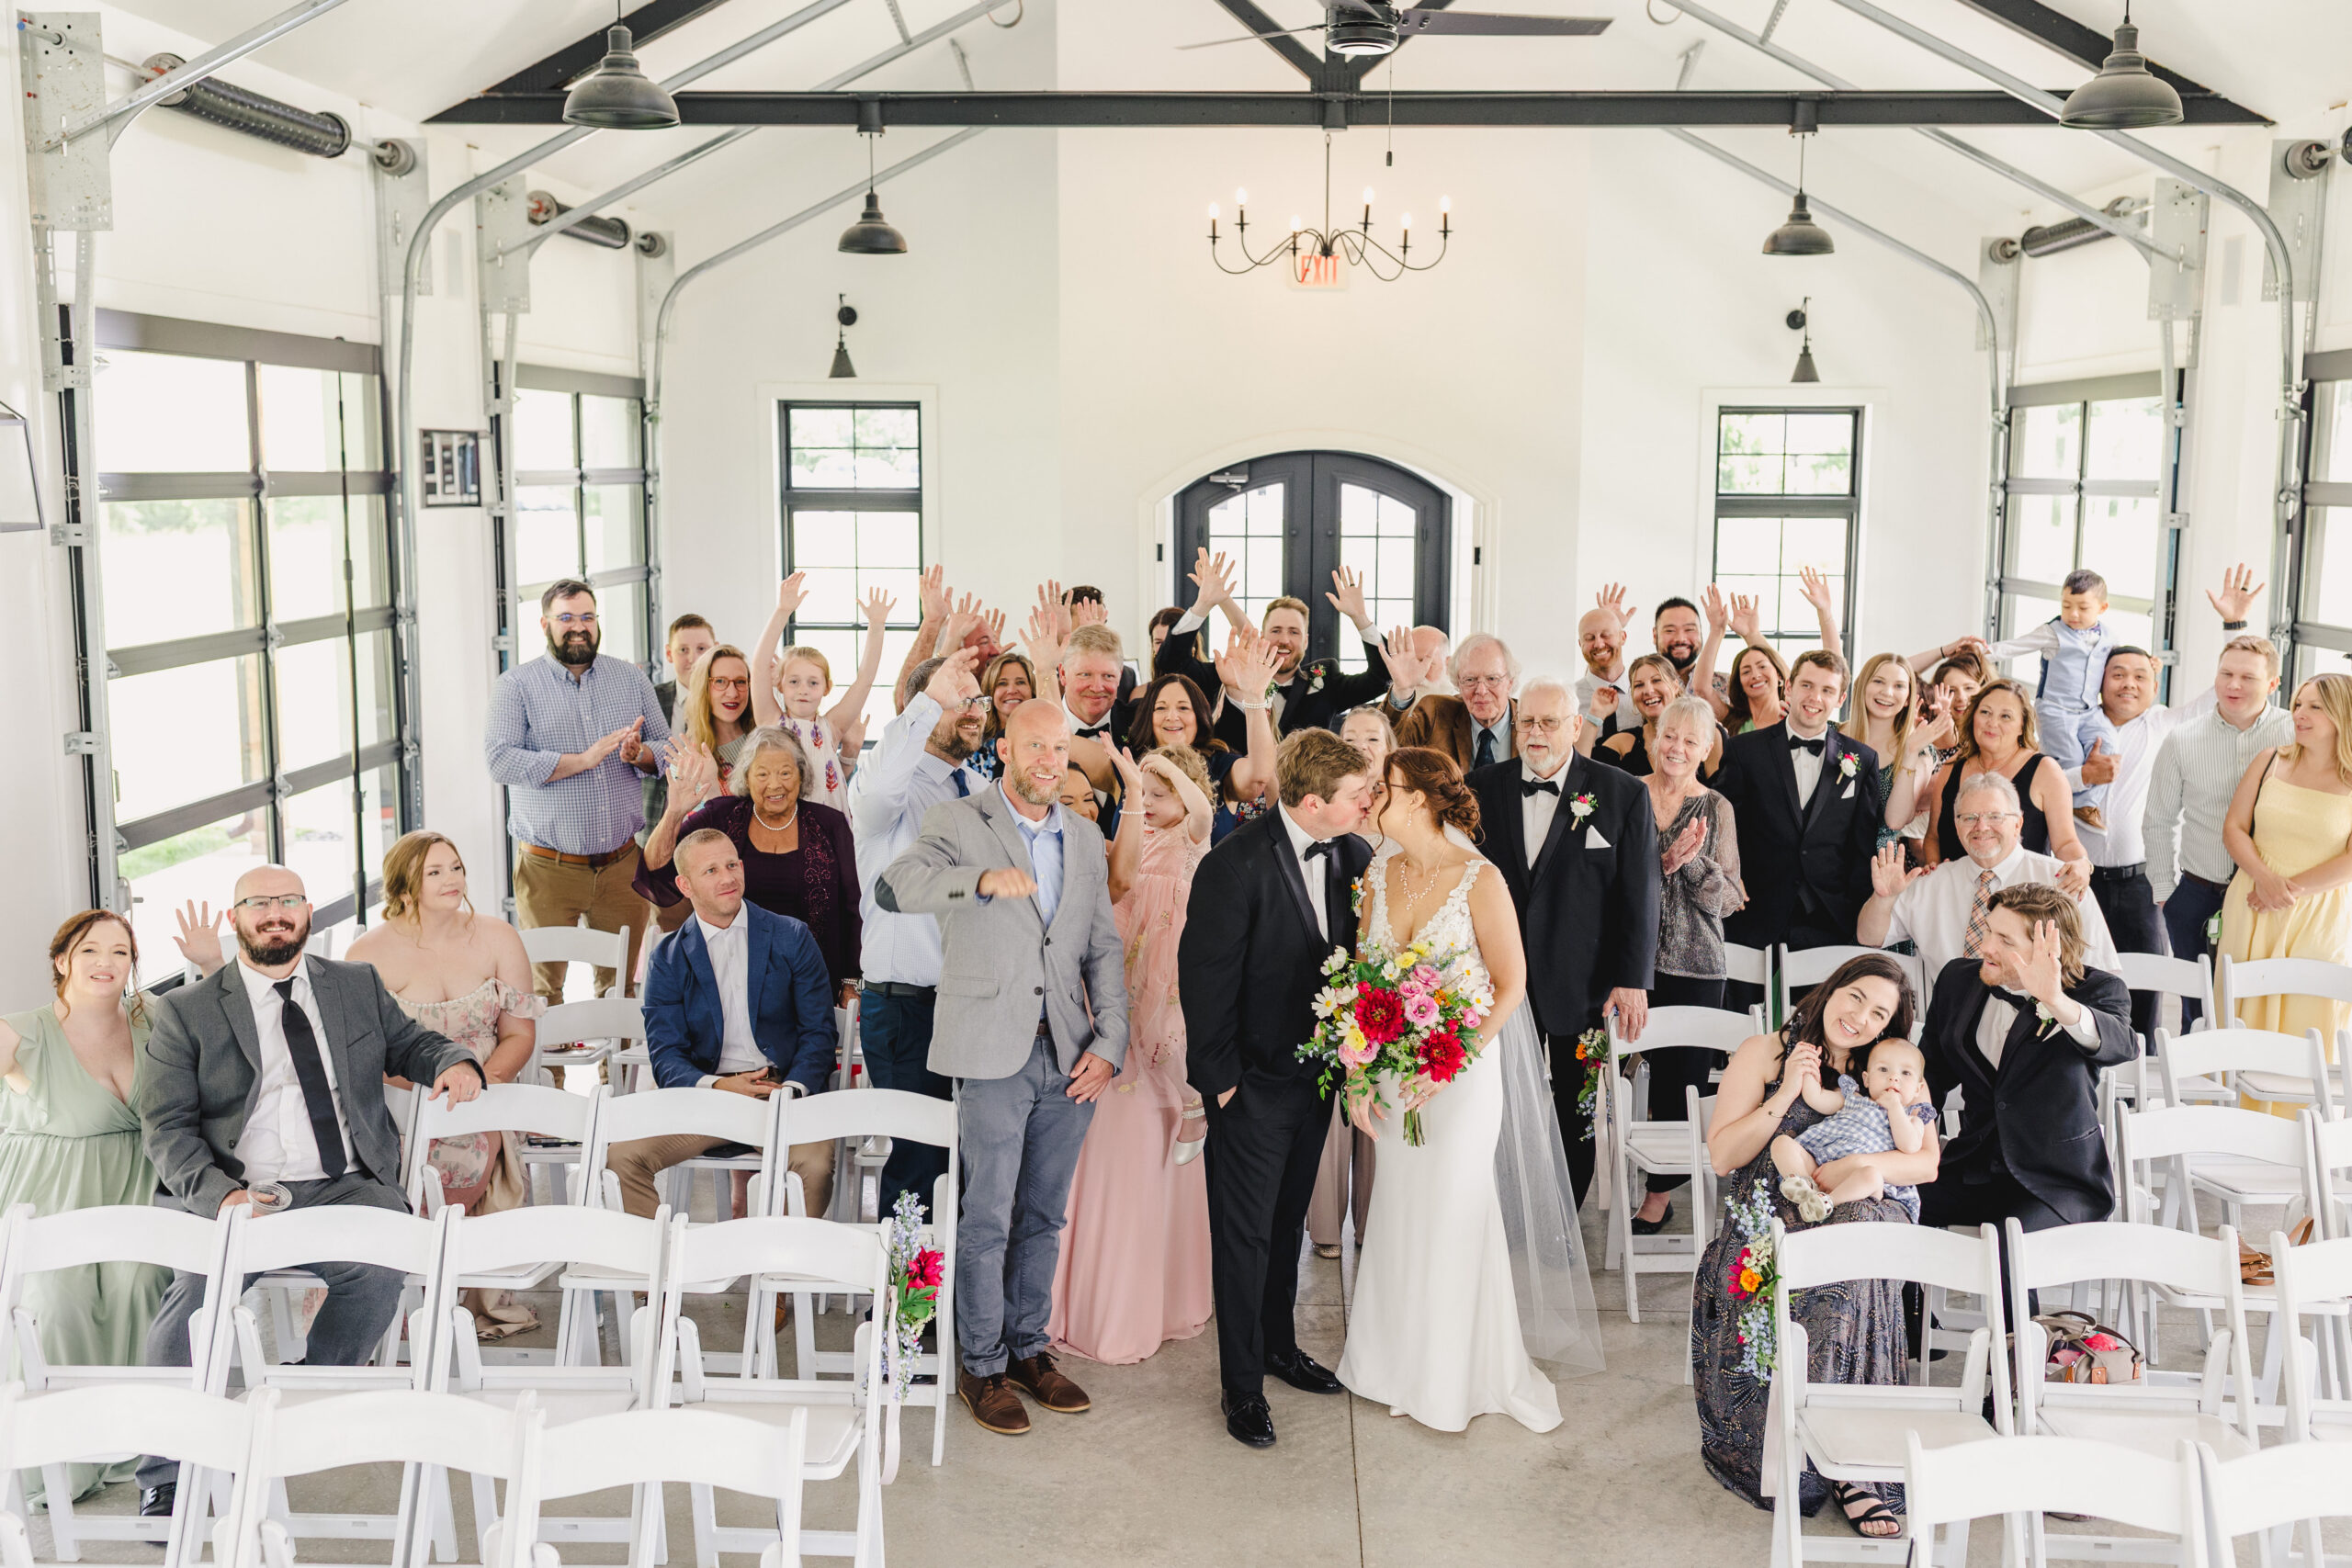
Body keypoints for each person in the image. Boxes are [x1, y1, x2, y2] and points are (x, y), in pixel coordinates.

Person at [134, 865, 483, 1515]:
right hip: (242, 1193)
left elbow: (410, 1043)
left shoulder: (354, 983)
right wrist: (220, 1196)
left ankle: (300, 1402)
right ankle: (166, 1470)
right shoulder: (187, 1011)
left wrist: (453, 1060)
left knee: (383, 1266)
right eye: (259, 903)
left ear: (307, 912)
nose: (276, 912)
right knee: (192, 1298)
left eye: (288, 900)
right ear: (235, 917)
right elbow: (166, 1126)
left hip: (345, 1184)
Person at [1334, 746, 1604, 1433]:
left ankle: (1451, 1375)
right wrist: (1360, 1069)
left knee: (1455, 1207)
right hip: (1395, 1072)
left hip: (1460, 1074)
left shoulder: (1479, 879)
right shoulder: (1379, 868)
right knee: (1400, 1207)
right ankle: (1390, 1360)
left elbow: (1511, 987)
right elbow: (1366, 983)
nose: (1371, 802)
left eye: (1382, 790)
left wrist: (1448, 1062)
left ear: (1418, 799)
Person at [877, 699, 1126, 1438]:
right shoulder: (960, 822)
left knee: (1044, 1213)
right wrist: (978, 883)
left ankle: (1027, 1349)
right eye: (1035, 746)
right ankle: (979, 1365)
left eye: (1060, 747)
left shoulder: (1083, 836)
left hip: (1071, 1054)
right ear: (1005, 749)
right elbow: (895, 888)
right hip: (989, 1050)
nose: (1050, 759)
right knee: (985, 1214)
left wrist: (1110, 1040)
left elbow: (1102, 947)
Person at [1178, 728, 1374, 1449]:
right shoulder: (1232, 865)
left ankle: (1279, 1347)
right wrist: (1224, 1086)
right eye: (1359, 794)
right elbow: (1203, 982)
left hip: (1317, 1081)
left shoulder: (1356, 855)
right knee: (1243, 1237)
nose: (1369, 802)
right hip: (1250, 1088)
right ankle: (1241, 1388)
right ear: (1315, 800)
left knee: (1287, 1225)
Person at [1693, 953, 1923, 1539]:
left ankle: (1854, 1466)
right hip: (1772, 1213)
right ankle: (1808, 1445)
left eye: (1879, 1014)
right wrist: (1788, 1093)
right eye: (1855, 998)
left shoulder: (1889, 1070)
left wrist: (1852, 1164)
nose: (1860, 1019)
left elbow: (1924, 1163)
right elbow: (1722, 1156)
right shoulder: (1764, 1052)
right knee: (1838, 1251)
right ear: (1833, 988)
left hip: (1855, 1203)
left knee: (1861, 1234)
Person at [1462, 677, 1658, 1207]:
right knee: (1496, 1102)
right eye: (1527, 721)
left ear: (1576, 725)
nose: (1536, 733)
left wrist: (1632, 980)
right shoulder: (1478, 787)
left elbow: (1640, 896)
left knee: (1574, 1106)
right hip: (1495, 982)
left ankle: (1562, 1222)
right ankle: (1500, 1212)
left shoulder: (1623, 793)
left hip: (1584, 982)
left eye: (1550, 722)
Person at [1047, 745, 1215, 1364]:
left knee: (1163, 1131)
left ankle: (1163, 1294)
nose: (1151, 797)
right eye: (1145, 791)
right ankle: (1081, 1294)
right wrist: (1138, 795)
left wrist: (1153, 768)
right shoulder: (1129, 840)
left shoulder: (1194, 842)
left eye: (1162, 789)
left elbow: (1197, 808)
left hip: (1166, 1003)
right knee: (1110, 1133)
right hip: (1113, 1001)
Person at [345, 831, 544, 1339]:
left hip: (487, 1094)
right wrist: (432, 1093)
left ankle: (450, 1295)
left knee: (469, 1155)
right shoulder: (367, 953)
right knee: (407, 1171)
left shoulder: (498, 936)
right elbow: (364, 1056)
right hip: (402, 1104)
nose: (452, 880)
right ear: (404, 887)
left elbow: (519, 1032)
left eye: (455, 867)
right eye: (435, 872)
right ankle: (401, 1299)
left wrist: (483, 1087)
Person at [0, 911, 169, 1503]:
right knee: (55, 1300)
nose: (105, 962)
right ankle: (60, 1454)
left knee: (144, 1283)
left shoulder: (154, 1021)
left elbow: (229, 1028)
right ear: (61, 960)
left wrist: (204, 963)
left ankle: (143, 1444)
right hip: (52, 1200)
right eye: (90, 949)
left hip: (136, 1192)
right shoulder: (24, 1030)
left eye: (120, 952)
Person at [615, 829, 837, 1221]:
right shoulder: (667, 957)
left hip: (782, 1092)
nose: (728, 878)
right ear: (684, 885)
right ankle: (655, 1278)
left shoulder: (791, 936)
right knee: (620, 1156)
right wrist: (719, 1087)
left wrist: (790, 1090)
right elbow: (666, 1055)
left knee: (815, 1167)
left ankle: (782, 1279)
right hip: (708, 1100)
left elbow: (819, 1032)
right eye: (711, 870)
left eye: (732, 864)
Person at [842, 649, 989, 1218]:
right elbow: (881, 789)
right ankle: (907, 1309)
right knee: (916, 1169)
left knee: (970, 1166)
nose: (974, 710)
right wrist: (929, 702)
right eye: (961, 699)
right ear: (922, 711)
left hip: (973, 1007)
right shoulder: (884, 796)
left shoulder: (978, 790)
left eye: (977, 699)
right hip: (905, 1012)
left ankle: (956, 1306)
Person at [484, 579, 670, 1000]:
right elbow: (499, 759)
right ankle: (549, 1072)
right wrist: (581, 761)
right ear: (545, 624)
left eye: (587, 617)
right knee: (542, 992)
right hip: (548, 870)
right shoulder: (516, 685)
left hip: (622, 865)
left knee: (620, 990)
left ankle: (616, 1072)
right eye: (565, 618)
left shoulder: (629, 679)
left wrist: (639, 754)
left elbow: (668, 750)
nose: (578, 627)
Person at [1917, 886, 2132, 1240]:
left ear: (2048, 950)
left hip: (2057, 1184)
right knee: (1890, 1205)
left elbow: (2120, 1045)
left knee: (2008, 1248)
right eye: (1988, 931)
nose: (1986, 946)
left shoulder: (2097, 991)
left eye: (2005, 940)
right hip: (1974, 1168)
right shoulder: (1957, 980)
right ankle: (1908, 1300)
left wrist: (2055, 1000)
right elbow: (1928, 1077)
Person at [1627, 694, 1745, 1236]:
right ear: (1653, 736)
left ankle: (1659, 1196)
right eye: (1668, 735)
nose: (1676, 747)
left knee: (1681, 1085)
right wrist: (1659, 863)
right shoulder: (1627, 795)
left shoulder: (1717, 808)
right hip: (1629, 961)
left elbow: (1730, 900)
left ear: (1705, 749)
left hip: (1696, 965)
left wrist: (1689, 865)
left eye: (1689, 740)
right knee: (1614, 1074)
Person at [637, 727, 862, 1002]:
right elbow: (657, 868)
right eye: (763, 774)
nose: (775, 784)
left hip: (813, 981)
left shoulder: (830, 824)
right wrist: (675, 811)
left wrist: (851, 981)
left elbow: (854, 905)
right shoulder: (723, 816)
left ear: (801, 775)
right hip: (730, 982)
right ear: (746, 777)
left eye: (785, 773)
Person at [1716, 650, 1884, 999]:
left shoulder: (1862, 759)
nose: (1815, 698)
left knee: (1816, 1023)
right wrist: (1731, 875)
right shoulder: (1744, 751)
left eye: (1826, 690)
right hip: (1754, 909)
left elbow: (1861, 843)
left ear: (1840, 699)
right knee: (1742, 1015)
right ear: (1789, 688)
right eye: (1806, 685)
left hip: (1827, 915)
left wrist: (1851, 909)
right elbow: (1723, 821)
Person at [2148, 633, 2291, 1026]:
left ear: (2273, 684)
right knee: (2198, 1011)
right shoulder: (2182, 739)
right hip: (2198, 892)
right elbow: (2159, 819)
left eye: (2248, 677)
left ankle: (2246, 1086)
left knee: (2254, 1006)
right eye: (2226, 673)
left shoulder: (2294, 736)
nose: (2233, 685)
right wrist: (2165, 891)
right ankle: (2197, 1088)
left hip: (2265, 894)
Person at [1857, 772, 2120, 981]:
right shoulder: (1931, 883)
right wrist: (1883, 899)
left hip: (2035, 1034)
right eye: (1969, 817)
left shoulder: (2061, 880)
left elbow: (2103, 971)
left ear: (2018, 823)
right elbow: (1870, 937)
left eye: (1995, 816)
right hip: (1949, 1035)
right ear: (1957, 825)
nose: (1981, 827)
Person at [2217, 673, 2352, 1049]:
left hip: (2318, 914)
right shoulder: (2269, 760)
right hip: (2252, 903)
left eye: (2314, 707)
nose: (2299, 714)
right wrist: (2264, 879)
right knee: (2241, 1015)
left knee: (2309, 1017)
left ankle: (2299, 1108)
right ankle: (2230, 1106)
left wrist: (2285, 890)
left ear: (2342, 714)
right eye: (2297, 705)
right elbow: (2234, 828)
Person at [1156, 550, 1412, 746]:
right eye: (1276, 631)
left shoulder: (1326, 678)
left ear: (1306, 640)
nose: (1284, 640)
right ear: (1262, 636)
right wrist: (1203, 605)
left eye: (1294, 632)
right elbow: (1170, 663)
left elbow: (1381, 677)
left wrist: (1360, 618)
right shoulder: (1228, 674)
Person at [1309, 703, 1399, 1258]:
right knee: (1329, 1109)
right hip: (1328, 972)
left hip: (1387, 976)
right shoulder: (1327, 809)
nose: (1362, 745)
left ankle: (1372, 1222)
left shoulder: (1400, 811)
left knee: (1379, 1107)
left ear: (1389, 747)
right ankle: (1323, 1227)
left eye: (1373, 737)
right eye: (1351, 736)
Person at [1985, 568, 2120, 828]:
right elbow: (2016, 645)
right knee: (2070, 759)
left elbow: (2120, 660)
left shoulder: (2109, 637)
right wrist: (1983, 653)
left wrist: (2150, 663)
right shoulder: (2053, 632)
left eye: (2083, 607)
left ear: (2102, 608)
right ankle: (2065, 804)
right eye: (2067, 605)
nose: (2073, 614)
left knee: (2109, 745)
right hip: (2056, 710)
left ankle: (2086, 804)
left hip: (2089, 711)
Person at [1919, 678, 2088, 881]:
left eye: (2005, 716)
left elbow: (2065, 843)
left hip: (2021, 900)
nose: (1992, 723)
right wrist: (1936, 878)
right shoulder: (1952, 768)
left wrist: (2081, 865)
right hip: (1955, 897)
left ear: (2022, 725)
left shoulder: (2045, 771)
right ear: (1973, 716)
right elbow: (1933, 838)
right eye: (1985, 712)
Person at [752, 576, 894, 812]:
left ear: (826, 688)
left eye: (813, 683)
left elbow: (865, 680)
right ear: (780, 685)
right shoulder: (772, 722)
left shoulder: (832, 727)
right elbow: (758, 668)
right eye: (794, 682)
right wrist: (782, 610)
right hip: (787, 823)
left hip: (830, 825)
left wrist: (877, 626)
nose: (803, 690)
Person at [1119, 638, 1278, 843]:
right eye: (1161, 708)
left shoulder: (1220, 766)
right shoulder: (1129, 762)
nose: (1172, 716)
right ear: (1148, 716)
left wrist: (1254, 697)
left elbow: (1258, 776)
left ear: (1200, 717)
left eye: (1183, 708)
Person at [1770, 1037, 1938, 1222]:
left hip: (1858, 1182)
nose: (1894, 1077)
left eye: (1906, 1073)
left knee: (1872, 1175)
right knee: (1782, 1144)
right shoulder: (1852, 1098)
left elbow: (1910, 1146)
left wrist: (1895, 1108)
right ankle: (1806, 1190)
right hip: (1819, 1169)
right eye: (1883, 1070)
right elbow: (1815, 1098)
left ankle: (1826, 1203)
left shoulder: (1912, 1119)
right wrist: (1810, 1070)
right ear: (1866, 1079)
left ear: (1918, 1089)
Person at [1841, 651, 1947, 849]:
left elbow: (1895, 821)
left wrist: (1910, 752)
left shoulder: (1922, 752)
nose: (1887, 693)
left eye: (1899, 686)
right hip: (1819, 857)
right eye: (1879, 681)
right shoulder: (1831, 734)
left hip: (1875, 863)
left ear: (1908, 698)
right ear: (1862, 686)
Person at [643, 613, 717, 853]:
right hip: (656, 824)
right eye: (683, 649)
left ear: (715, 650)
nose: (692, 658)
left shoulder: (729, 702)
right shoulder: (650, 698)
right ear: (668, 654)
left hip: (710, 830)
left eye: (701, 648)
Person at [1587, 652, 1724, 779]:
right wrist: (1595, 716)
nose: (1648, 690)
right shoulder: (1624, 742)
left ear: (1675, 686)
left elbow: (1720, 793)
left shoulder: (1708, 732)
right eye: (1639, 685)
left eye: (1657, 680)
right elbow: (1582, 772)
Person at [1400, 633, 1521, 772]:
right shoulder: (1435, 713)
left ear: (1510, 682)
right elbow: (1390, 748)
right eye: (1470, 680)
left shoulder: (1533, 722)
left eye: (1492, 679)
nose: (1481, 690)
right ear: (1458, 684)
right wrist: (1402, 691)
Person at [972, 649, 1039, 784]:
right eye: (1002, 683)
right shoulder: (973, 745)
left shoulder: (1046, 742)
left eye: (1020, 682)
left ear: (1032, 689)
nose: (1012, 690)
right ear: (990, 692)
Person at [1571, 597, 1636, 733]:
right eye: (1589, 638)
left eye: (1606, 635)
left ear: (1623, 637)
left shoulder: (1643, 693)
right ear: (1580, 644)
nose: (1598, 644)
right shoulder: (1569, 698)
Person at [1723, 641, 1789, 736]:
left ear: (1778, 675)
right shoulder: (1733, 721)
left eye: (1762, 666)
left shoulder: (1792, 721)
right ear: (1740, 683)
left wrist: (1752, 633)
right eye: (1746, 672)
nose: (1755, 675)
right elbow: (1702, 690)